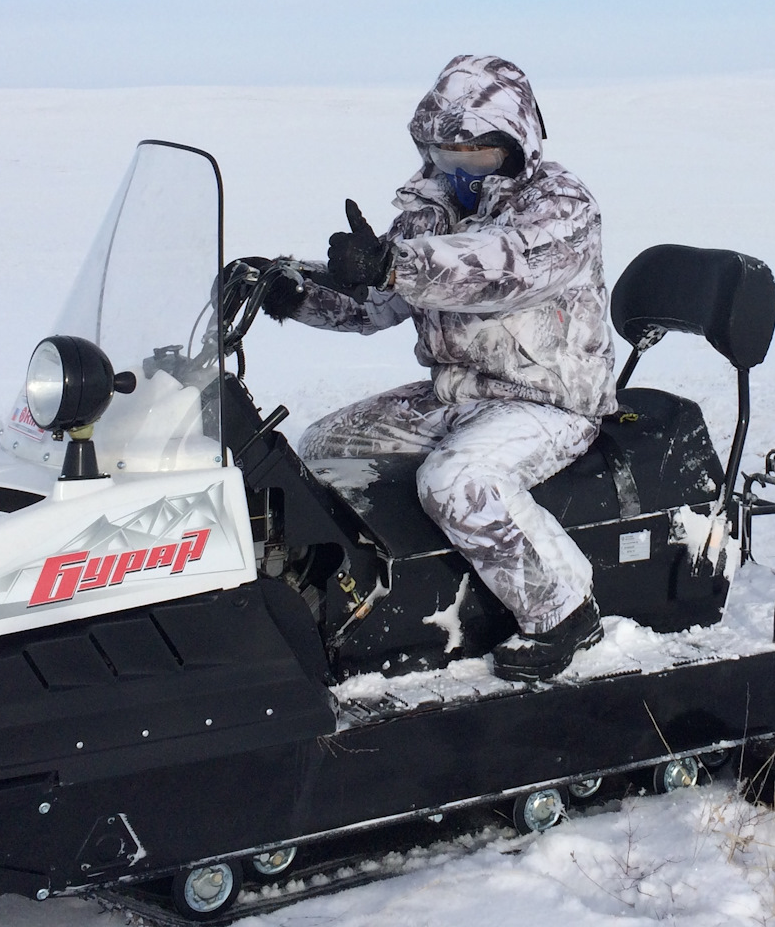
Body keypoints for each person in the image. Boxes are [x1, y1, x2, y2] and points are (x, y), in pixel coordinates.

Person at [261, 54, 617, 682]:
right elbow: (379, 304)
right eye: (440, 150)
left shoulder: (559, 206)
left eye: (473, 152)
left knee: (457, 481)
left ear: (514, 143)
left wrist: (395, 263)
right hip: (457, 391)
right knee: (323, 446)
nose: (456, 168)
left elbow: (499, 268)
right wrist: (292, 289)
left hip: (548, 399)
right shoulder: (429, 208)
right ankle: (371, 584)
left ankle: (563, 611)